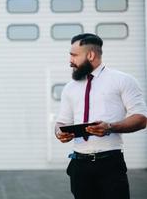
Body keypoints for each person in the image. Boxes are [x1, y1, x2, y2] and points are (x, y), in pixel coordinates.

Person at [55, 33, 147, 199]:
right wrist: (59, 132)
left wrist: (110, 127)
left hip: (110, 164)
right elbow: (62, 121)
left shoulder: (123, 81)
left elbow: (141, 118)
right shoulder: (70, 87)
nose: (70, 61)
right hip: (79, 166)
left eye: (74, 55)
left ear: (91, 55)